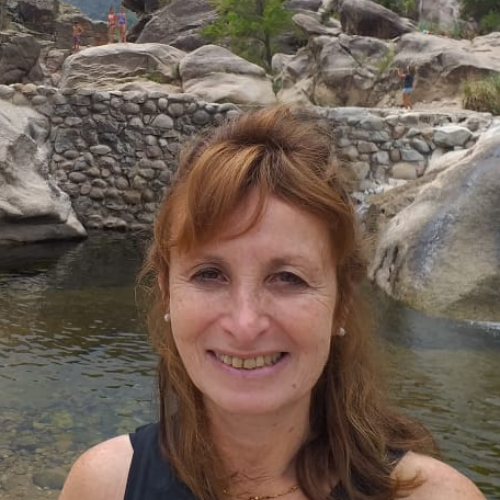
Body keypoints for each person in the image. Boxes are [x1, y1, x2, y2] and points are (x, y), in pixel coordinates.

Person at [59, 106, 486, 500]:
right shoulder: (103, 486)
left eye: (287, 278)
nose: (245, 324)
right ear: (168, 292)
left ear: (341, 304)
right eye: (209, 274)